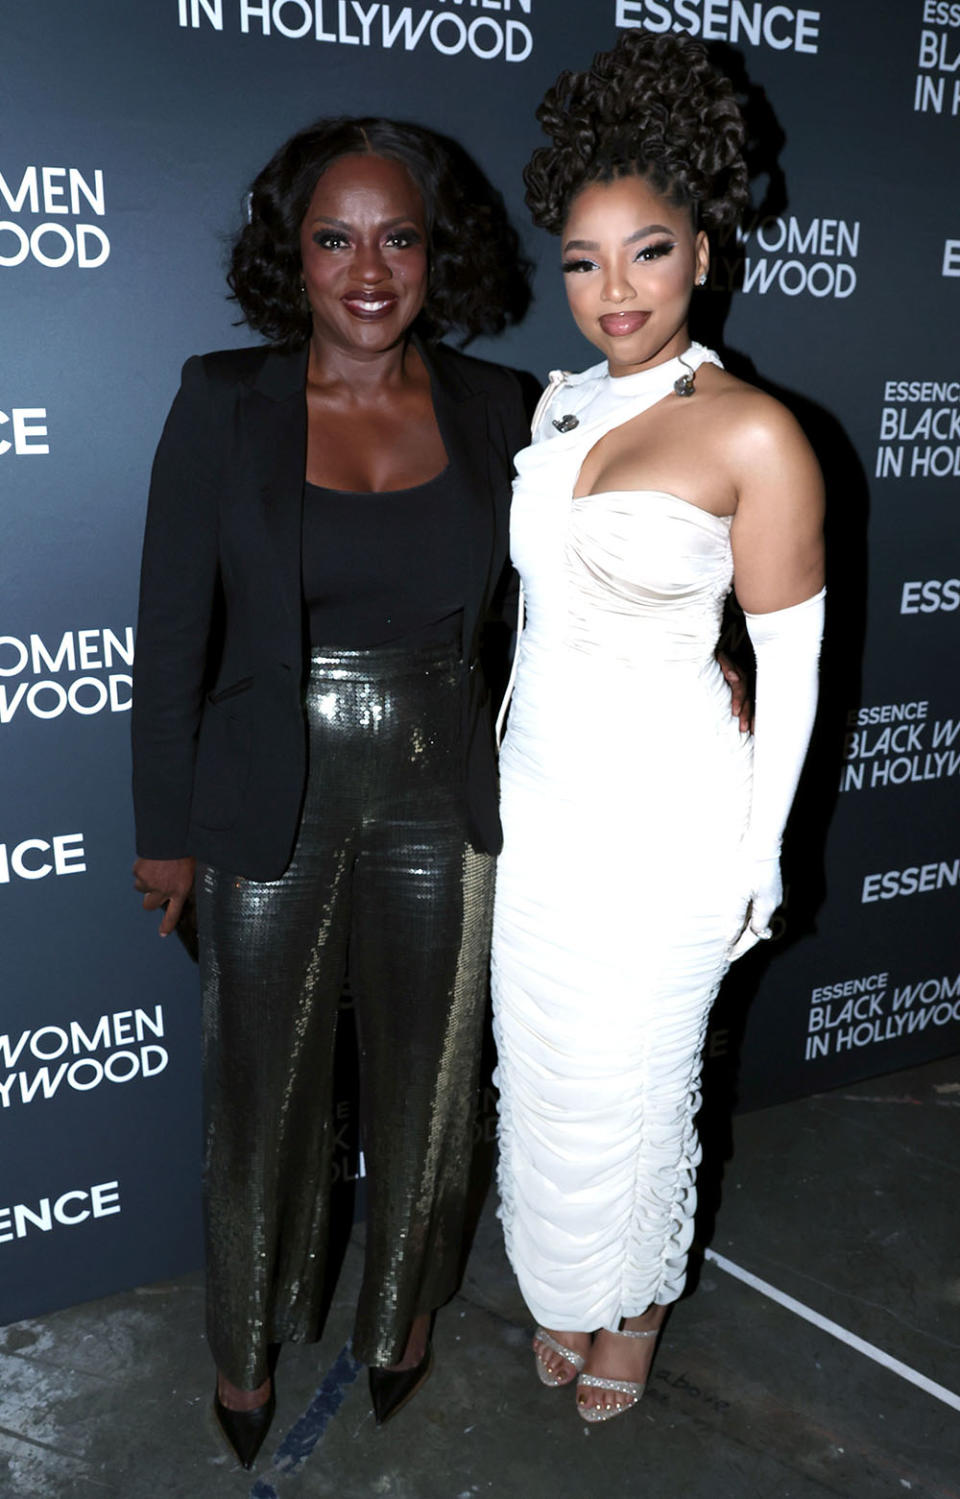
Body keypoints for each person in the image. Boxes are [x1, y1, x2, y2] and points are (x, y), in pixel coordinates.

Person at [131, 116, 533, 1468]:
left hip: (440, 784)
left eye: (399, 236)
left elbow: (585, 595)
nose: (370, 268)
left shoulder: (504, 411)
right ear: (290, 255)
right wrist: (166, 834)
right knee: (261, 1090)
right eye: (336, 237)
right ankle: (242, 1350)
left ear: (437, 253)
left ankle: (400, 1320)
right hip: (267, 791)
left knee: (433, 1085)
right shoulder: (221, 398)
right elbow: (171, 632)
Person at [491, 30, 825, 1422]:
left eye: (647, 251)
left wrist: (764, 854)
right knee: (552, 1076)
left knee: (638, 1083)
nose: (612, 289)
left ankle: (632, 1310)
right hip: (539, 810)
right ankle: (570, 1290)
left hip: (671, 823)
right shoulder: (562, 404)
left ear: (705, 250)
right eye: (582, 258)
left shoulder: (754, 433)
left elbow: (794, 670)